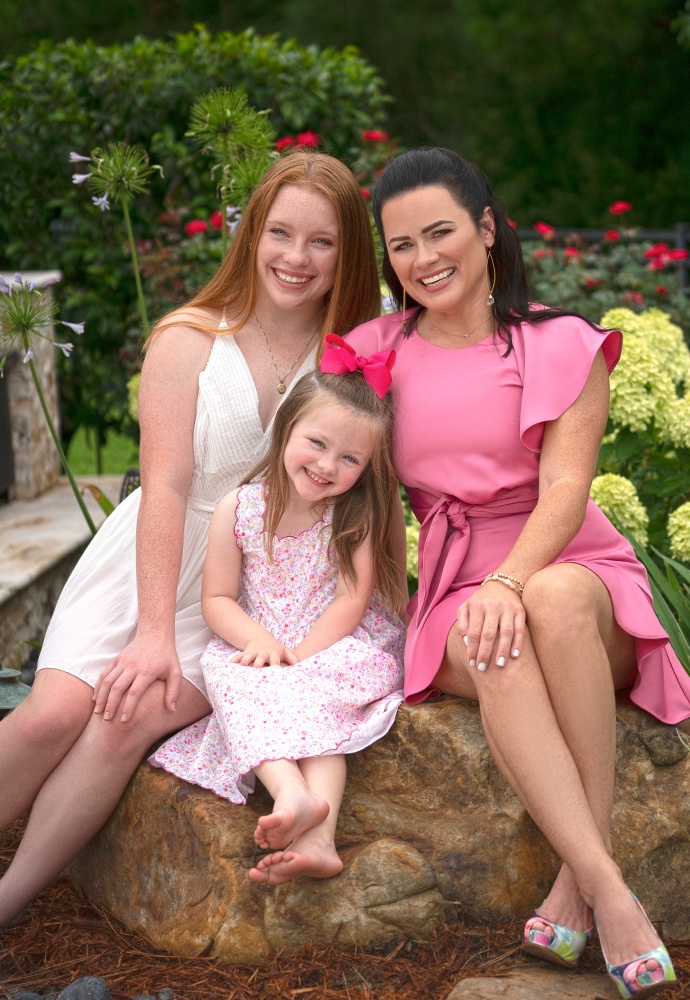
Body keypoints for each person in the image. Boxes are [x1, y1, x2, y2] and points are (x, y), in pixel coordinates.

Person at [0, 151, 381, 925]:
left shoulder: (351, 358)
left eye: (322, 241)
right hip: (154, 555)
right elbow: (166, 486)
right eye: (280, 233)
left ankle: (8, 900)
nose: (297, 257)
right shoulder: (189, 338)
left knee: (128, 717)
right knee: (53, 713)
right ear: (251, 235)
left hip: (255, 591)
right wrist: (151, 633)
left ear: (347, 252)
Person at [345, 147, 688, 999]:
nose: (424, 259)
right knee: (491, 640)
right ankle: (608, 889)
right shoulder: (371, 352)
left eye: (441, 233)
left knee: (554, 599)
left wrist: (510, 582)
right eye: (401, 245)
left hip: (571, 563)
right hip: (455, 582)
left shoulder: (560, 343)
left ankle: (578, 884)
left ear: (488, 229)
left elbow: (567, 491)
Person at [149, 349, 406, 885]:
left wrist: (303, 658)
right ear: (287, 430)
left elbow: (351, 600)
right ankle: (292, 794)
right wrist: (260, 641)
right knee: (229, 676)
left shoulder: (352, 515)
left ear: (366, 468)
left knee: (318, 712)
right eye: (318, 443)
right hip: (264, 638)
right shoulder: (240, 508)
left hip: (334, 642)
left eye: (350, 459)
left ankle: (319, 840)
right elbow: (218, 599)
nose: (327, 466)